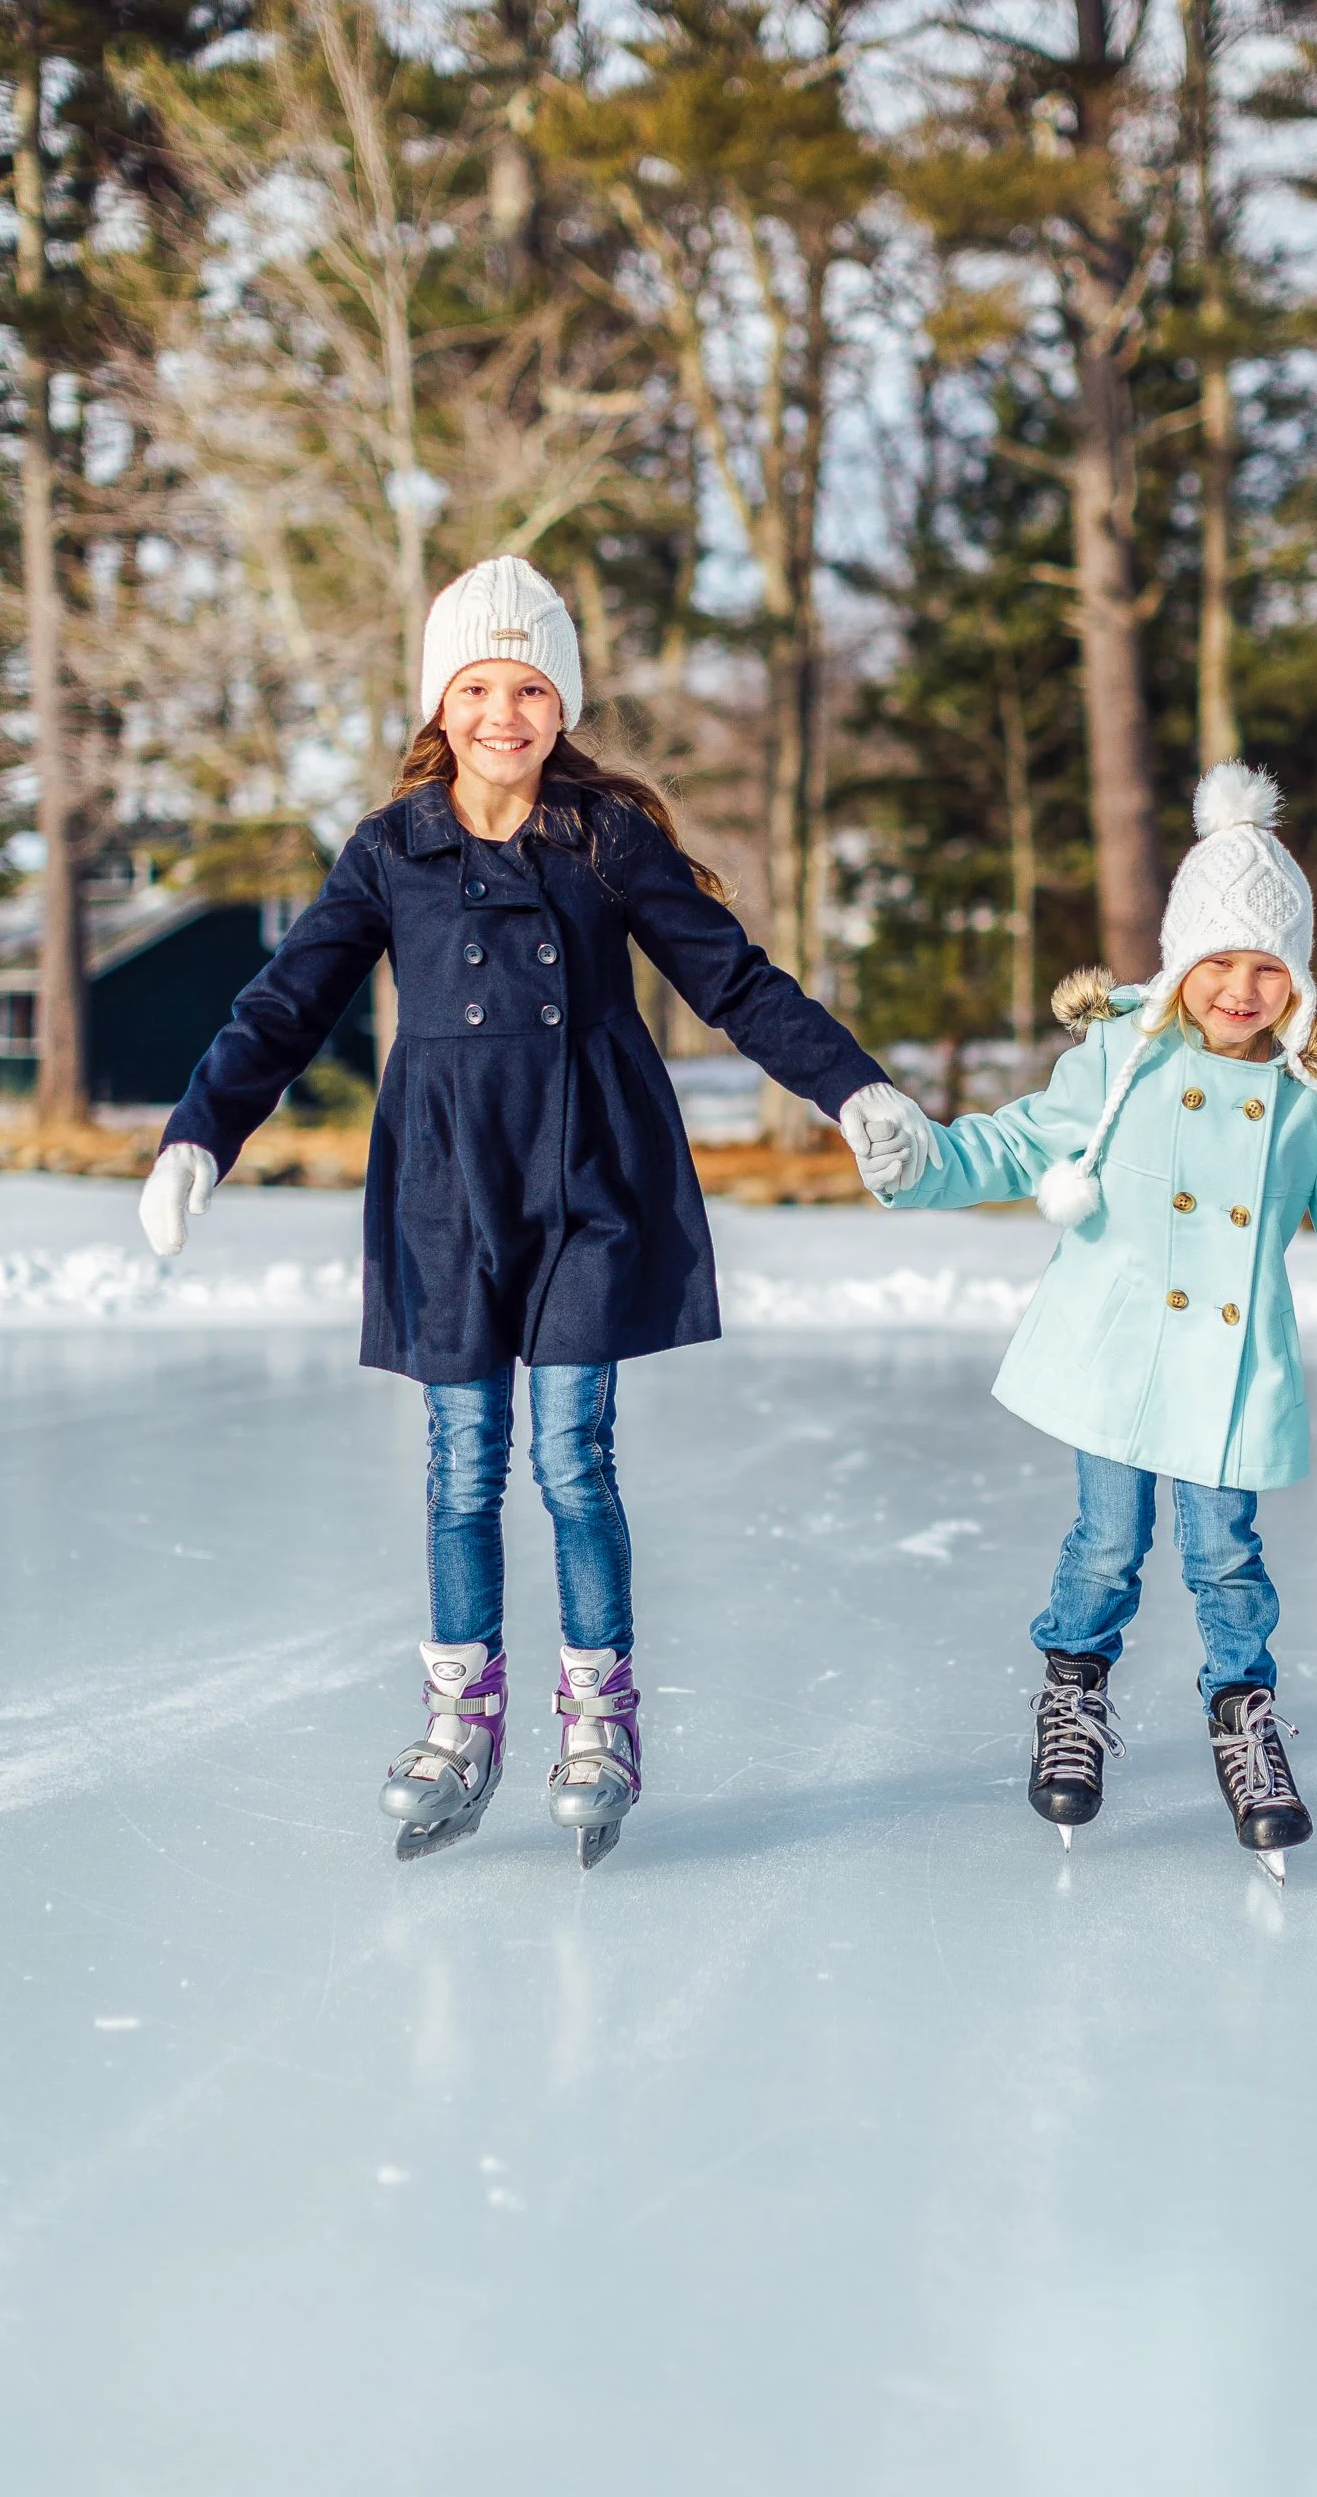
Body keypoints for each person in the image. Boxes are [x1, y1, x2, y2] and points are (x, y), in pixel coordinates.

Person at [138, 555, 932, 1867]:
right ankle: (462, 1723)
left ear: (560, 702)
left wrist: (855, 1093)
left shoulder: (604, 841)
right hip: (449, 1194)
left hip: (587, 1182)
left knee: (571, 1460)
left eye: (529, 688)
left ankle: (598, 1718)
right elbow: (283, 1007)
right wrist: (197, 1137)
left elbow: (735, 981)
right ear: (438, 703)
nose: (503, 713)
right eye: (477, 686)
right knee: (461, 1470)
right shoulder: (391, 850)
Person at [857, 761, 1317, 1878]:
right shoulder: (1119, 1057)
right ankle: (1074, 1692)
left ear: (1295, 980)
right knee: (1106, 1545)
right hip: (1116, 1356)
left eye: (1266, 969)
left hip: (1231, 1372)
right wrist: (924, 1163)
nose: (1240, 990)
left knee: (1226, 1556)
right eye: (1218, 963)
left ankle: (1244, 1720)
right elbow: (1017, 1143)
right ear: (1179, 963)